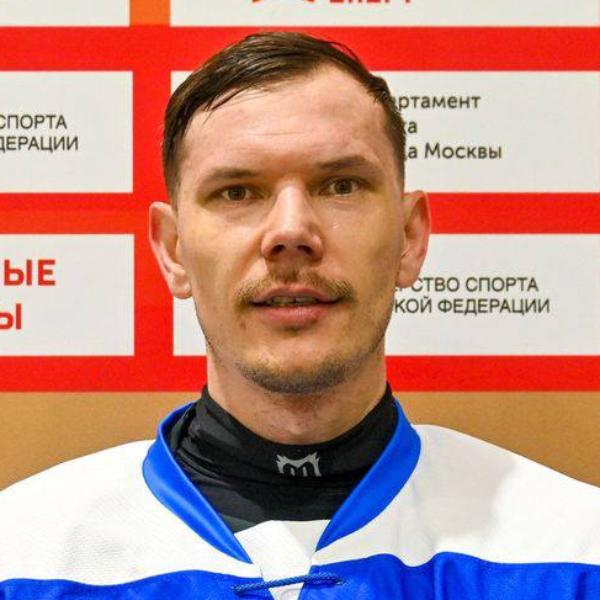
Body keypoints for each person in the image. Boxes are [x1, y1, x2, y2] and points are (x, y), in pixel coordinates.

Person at [1, 32, 599, 600]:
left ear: (410, 238)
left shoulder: (573, 550)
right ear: (174, 250)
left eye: (341, 185)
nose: (291, 231)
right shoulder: (24, 557)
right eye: (238, 192)